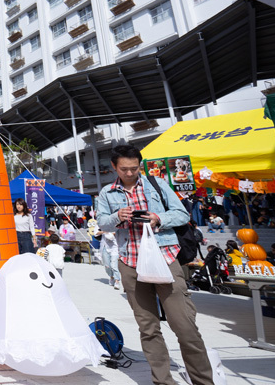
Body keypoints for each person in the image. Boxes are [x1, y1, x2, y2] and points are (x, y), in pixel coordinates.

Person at [97, 144, 214, 385]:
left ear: (139, 165)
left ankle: (203, 381)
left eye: (134, 168)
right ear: (114, 167)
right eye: (124, 169)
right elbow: (102, 223)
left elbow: (182, 214)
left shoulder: (157, 184)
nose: (130, 173)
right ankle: (162, 381)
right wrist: (118, 217)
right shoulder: (107, 193)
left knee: (185, 325)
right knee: (148, 328)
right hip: (130, 262)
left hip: (165, 258)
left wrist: (158, 218)